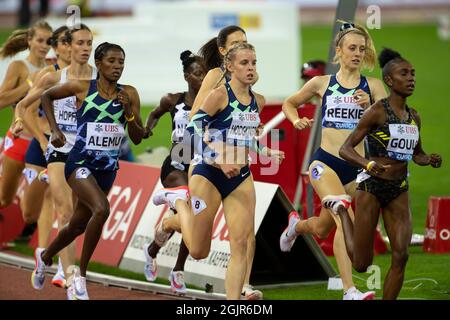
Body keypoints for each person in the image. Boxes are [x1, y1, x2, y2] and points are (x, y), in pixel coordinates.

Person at [153, 43, 283, 300]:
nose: (251, 68)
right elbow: (192, 131)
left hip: (240, 177)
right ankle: (176, 209)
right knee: (199, 250)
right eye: (244, 63)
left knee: (241, 244)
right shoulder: (219, 95)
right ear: (230, 67)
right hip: (208, 174)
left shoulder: (258, 101)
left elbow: (244, 135)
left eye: (254, 63)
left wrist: (265, 151)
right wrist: (219, 159)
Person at [279, 21, 387, 300]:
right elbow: (289, 103)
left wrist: (372, 108)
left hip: (357, 168)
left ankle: (297, 226)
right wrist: (297, 119)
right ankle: (349, 290)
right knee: (344, 216)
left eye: (361, 49)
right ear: (338, 50)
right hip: (325, 162)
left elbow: (391, 123)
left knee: (321, 226)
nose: (357, 53)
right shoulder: (321, 83)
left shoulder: (373, 87)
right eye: (351, 48)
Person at [30, 42, 146, 300]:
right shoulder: (83, 87)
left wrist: (128, 113)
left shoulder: (130, 93)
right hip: (79, 163)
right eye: (112, 61)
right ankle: (79, 277)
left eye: (121, 62)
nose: (117, 66)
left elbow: (137, 138)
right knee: (102, 209)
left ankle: (45, 256)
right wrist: (56, 130)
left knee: (76, 226)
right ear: (99, 62)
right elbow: (46, 96)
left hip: (107, 170)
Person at [329, 48, 442, 300]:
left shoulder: (414, 117)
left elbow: (416, 153)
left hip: (399, 188)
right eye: (404, 73)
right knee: (361, 263)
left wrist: (428, 159)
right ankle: (340, 210)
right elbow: (345, 149)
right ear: (390, 81)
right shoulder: (377, 111)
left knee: (401, 255)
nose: (411, 78)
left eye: (413, 73)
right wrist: (367, 165)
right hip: (371, 187)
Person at [14, 24, 96, 289]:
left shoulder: (99, 78)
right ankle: (71, 276)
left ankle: (50, 259)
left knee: (76, 216)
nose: (85, 49)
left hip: (83, 154)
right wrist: (37, 135)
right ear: (66, 47)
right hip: (57, 150)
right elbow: (24, 106)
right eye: (79, 43)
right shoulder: (53, 78)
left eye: (88, 43)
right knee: (61, 211)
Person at [141, 50, 206, 294]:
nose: (202, 79)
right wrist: (148, 128)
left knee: (189, 220)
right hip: (176, 164)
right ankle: (177, 269)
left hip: (200, 166)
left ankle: (155, 252)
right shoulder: (173, 100)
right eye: (197, 74)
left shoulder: (214, 101)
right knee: (188, 207)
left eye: (205, 74)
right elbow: (154, 114)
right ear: (187, 76)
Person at [18, 25, 71, 287]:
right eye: (66, 42)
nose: (72, 47)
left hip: (66, 149)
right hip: (42, 144)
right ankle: (43, 254)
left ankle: (61, 266)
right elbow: (27, 111)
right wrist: (41, 140)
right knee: (29, 213)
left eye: (77, 42)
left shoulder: (84, 77)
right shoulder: (46, 75)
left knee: (64, 205)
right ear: (57, 47)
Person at [0, 20, 52, 210]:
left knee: (44, 197)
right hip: (20, 138)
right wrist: (30, 84)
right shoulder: (19, 67)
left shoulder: (52, 70)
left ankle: (33, 232)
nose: (44, 46)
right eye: (40, 40)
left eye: (49, 41)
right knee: (5, 198)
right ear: (29, 41)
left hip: (41, 141)